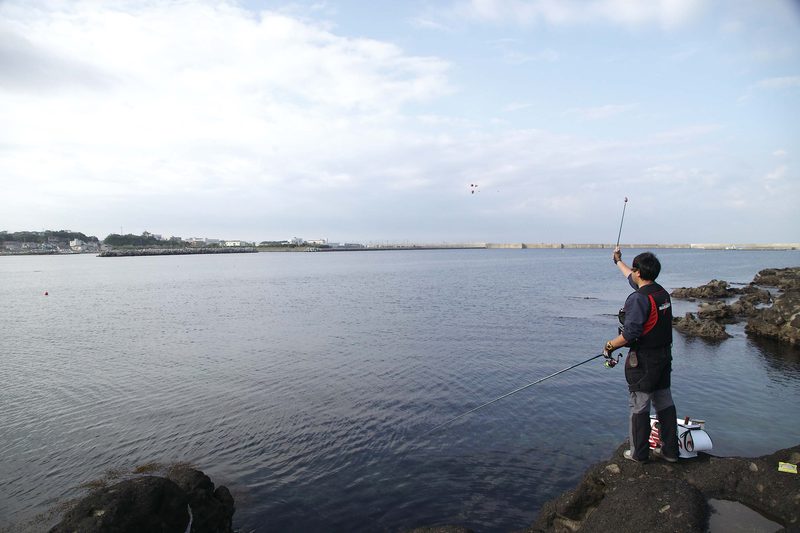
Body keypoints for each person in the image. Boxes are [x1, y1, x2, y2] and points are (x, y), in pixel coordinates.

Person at [603, 247, 679, 463]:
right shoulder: (661, 292)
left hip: (644, 361)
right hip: (664, 357)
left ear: (639, 272)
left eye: (634, 270)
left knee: (639, 406)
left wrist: (609, 346)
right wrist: (618, 261)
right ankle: (671, 452)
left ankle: (638, 454)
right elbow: (631, 277)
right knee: (665, 403)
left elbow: (630, 334)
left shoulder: (638, 299)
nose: (632, 274)